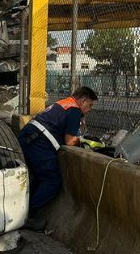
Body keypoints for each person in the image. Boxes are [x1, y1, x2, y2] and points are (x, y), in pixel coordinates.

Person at [18, 86, 98, 231]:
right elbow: (69, 141)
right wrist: (82, 141)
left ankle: (22, 210)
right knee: (52, 179)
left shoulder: (63, 103)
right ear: (83, 100)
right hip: (39, 143)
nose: (90, 109)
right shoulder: (74, 110)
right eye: (90, 105)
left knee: (37, 176)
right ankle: (28, 216)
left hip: (28, 137)